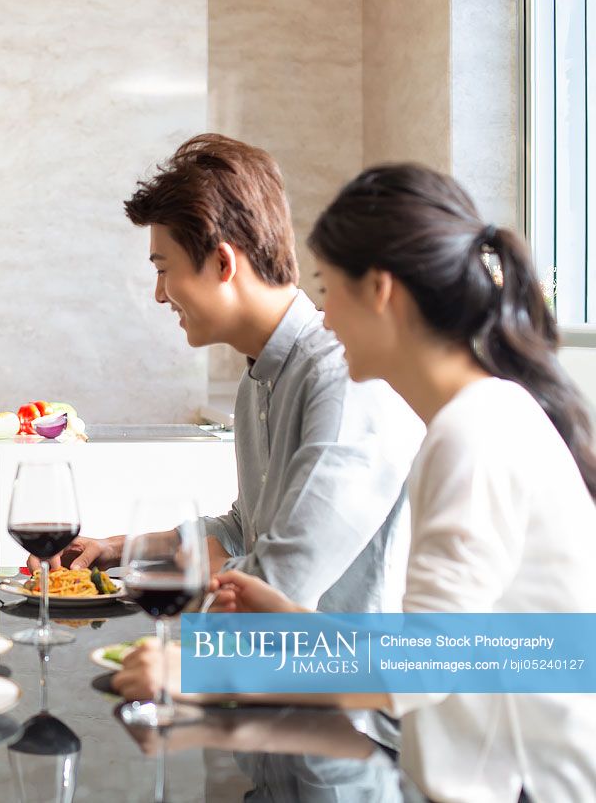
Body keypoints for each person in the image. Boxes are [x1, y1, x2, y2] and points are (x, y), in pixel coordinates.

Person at [117, 164, 596, 802]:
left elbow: (428, 666)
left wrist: (201, 670)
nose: (324, 315)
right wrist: (292, 620)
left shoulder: (474, 431)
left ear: (382, 291)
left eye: (328, 288)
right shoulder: (475, 419)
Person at [32, 134, 422, 614]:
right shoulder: (258, 377)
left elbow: (282, 581)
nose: (160, 294)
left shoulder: (342, 380)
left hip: (341, 673)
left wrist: (179, 572)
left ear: (222, 262)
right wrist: (118, 549)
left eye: (163, 268)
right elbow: (244, 528)